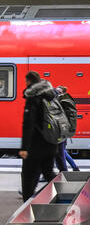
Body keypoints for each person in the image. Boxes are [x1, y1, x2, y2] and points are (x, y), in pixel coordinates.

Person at [19, 71, 58, 202]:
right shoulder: (51, 95)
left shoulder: (33, 97)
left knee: (28, 178)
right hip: (52, 142)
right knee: (48, 173)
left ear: (29, 82)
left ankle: (26, 208)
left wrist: (24, 148)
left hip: (36, 144)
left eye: (26, 82)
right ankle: (63, 196)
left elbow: (28, 123)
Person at [54, 86, 80, 172]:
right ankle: (74, 168)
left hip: (60, 131)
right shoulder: (64, 102)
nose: (56, 93)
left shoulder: (62, 103)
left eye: (58, 91)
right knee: (61, 151)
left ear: (62, 93)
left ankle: (65, 171)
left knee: (60, 152)